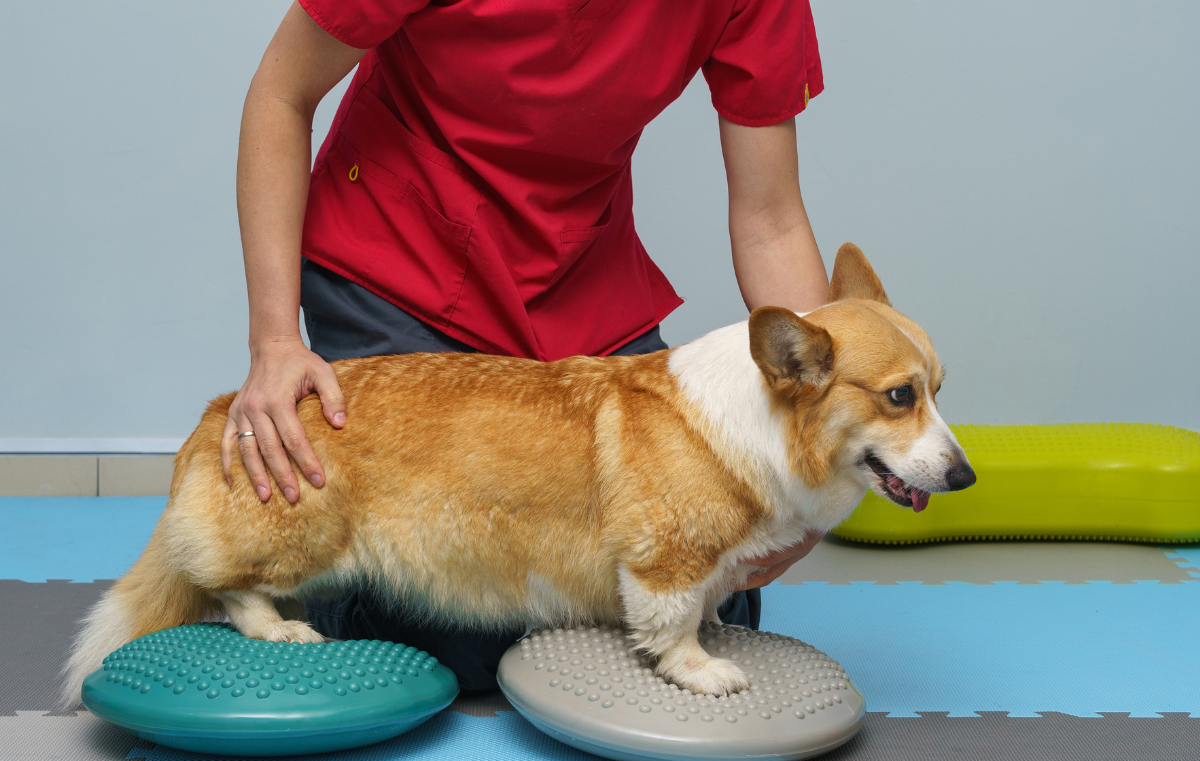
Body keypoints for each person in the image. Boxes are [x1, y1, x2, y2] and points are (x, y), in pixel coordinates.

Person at [223, 0, 829, 691]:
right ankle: (336, 577)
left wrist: (818, 438)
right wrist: (273, 339)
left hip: (579, 284)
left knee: (711, 579)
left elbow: (771, 217)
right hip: (402, 258)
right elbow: (281, 91)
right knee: (465, 642)